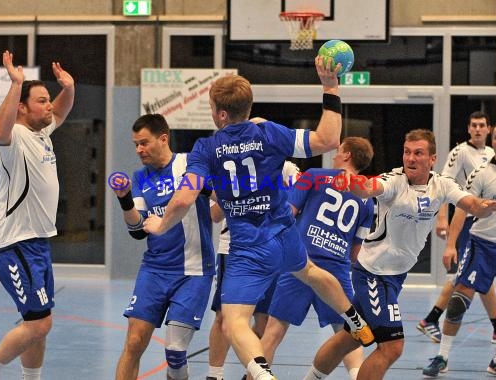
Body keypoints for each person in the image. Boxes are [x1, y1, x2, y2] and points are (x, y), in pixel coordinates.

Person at [143, 56, 374, 380]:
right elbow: (327, 139)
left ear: (221, 113)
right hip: (283, 232)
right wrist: (330, 86)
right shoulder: (267, 132)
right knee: (309, 271)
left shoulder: (206, 149)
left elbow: (183, 199)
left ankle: (262, 374)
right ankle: (354, 320)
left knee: (234, 321)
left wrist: (159, 225)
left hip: (248, 246)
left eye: (212, 107)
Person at [301, 129, 496, 380]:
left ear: (432, 158)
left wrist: (486, 210)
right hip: (372, 274)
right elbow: (368, 187)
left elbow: (472, 205)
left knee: (349, 337)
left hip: (395, 277)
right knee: (392, 347)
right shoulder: (394, 181)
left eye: (418, 153)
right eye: (407, 152)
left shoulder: (442, 184)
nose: (410, 158)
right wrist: (352, 182)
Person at [0, 51, 75, 380]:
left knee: (36, 324)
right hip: (13, 243)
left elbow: (61, 110)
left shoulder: (42, 133)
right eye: (41, 101)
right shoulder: (14, 138)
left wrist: (68, 88)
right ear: (23, 108)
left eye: (48, 100)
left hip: (38, 244)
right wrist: (15, 84)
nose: (49, 105)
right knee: (40, 322)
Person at [259, 137, 375, 380]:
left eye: (339, 150)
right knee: (347, 333)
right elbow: (356, 253)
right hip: (337, 272)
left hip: (301, 264)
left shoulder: (314, 175)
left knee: (273, 332)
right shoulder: (367, 199)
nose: (334, 154)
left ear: (347, 155)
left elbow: (287, 215)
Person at [422, 121, 496, 379]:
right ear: (493, 142)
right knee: (459, 301)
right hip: (481, 244)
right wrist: (450, 245)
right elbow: (462, 208)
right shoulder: (480, 173)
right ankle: (442, 356)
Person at [113, 114, 215, 380]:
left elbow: (223, 197)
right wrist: (124, 199)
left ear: (163, 138)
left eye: (144, 143)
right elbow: (137, 231)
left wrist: (205, 189)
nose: (139, 150)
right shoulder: (141, 177)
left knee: (175, 351)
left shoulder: (190, 164)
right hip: (155, 270)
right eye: (135, 144)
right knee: (134, 343)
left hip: (193, 272)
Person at [206, 160, 300, 380]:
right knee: (224, 317)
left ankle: (253, 375)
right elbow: (216, 215)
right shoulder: (230, 168)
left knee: (264, 320)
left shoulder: (285, 167)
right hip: (234, 248)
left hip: (270, 248)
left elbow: (296, 204)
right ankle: (215, 375)